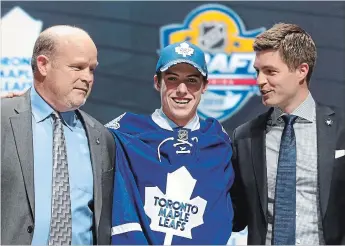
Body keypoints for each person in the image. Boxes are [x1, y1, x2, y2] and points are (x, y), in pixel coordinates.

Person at [106, 41, 235, 244]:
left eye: (192, 80)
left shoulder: (219, 142)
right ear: (158, 82)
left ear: (205, 86)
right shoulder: (124, 133)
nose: (182, 90)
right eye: (172, 79)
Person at [230, 23, 345, 245]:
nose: (259, 81)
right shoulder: (244, 137)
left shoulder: (341, 130)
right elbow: (235, 216)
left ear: (302, 71)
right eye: (258, 71)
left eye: (270, 71)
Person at [1, 25, 115, 245]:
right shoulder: (3, 118)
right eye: (78, 67)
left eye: (91, 69)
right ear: (43, 65)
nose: (87, 78)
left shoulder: (101, 137)